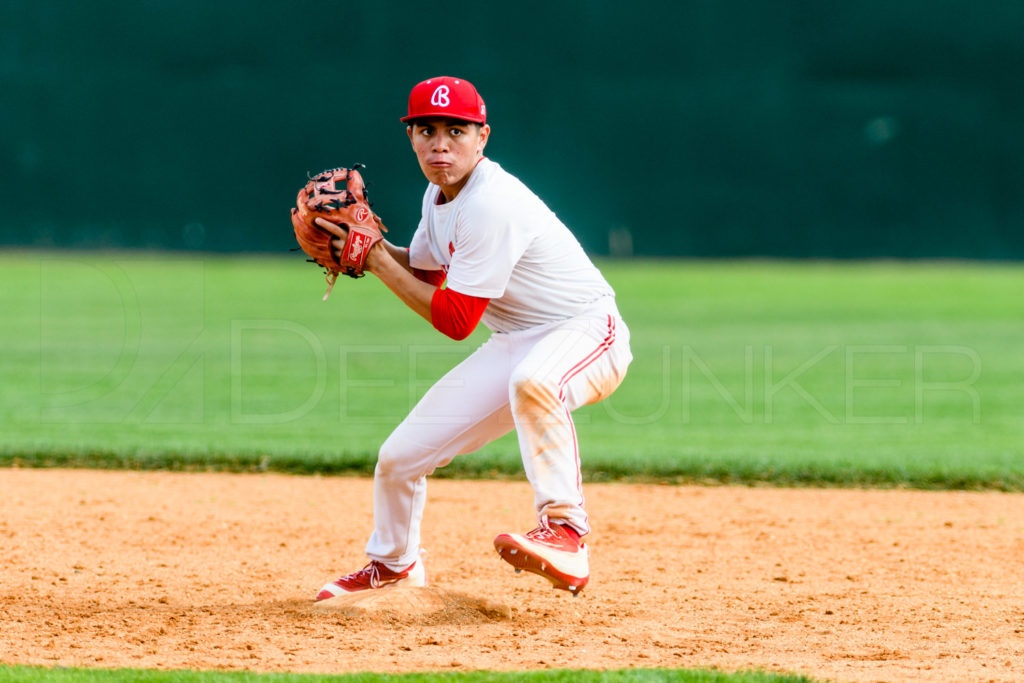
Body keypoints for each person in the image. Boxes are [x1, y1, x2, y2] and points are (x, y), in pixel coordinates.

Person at [314, 76, 632, 599]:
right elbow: (425, 273)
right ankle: (393, 564)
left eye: (456, 130)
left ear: (482, 138)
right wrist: (363, 245)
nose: (441, 143)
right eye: (427, 130)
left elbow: (455, 320)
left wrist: (371, 259)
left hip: (585, 331)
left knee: (536, 380)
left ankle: (566, 534)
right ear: (411, 137)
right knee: (399, 457)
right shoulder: (438, 196)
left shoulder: (490, 202)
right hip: (517, 339)